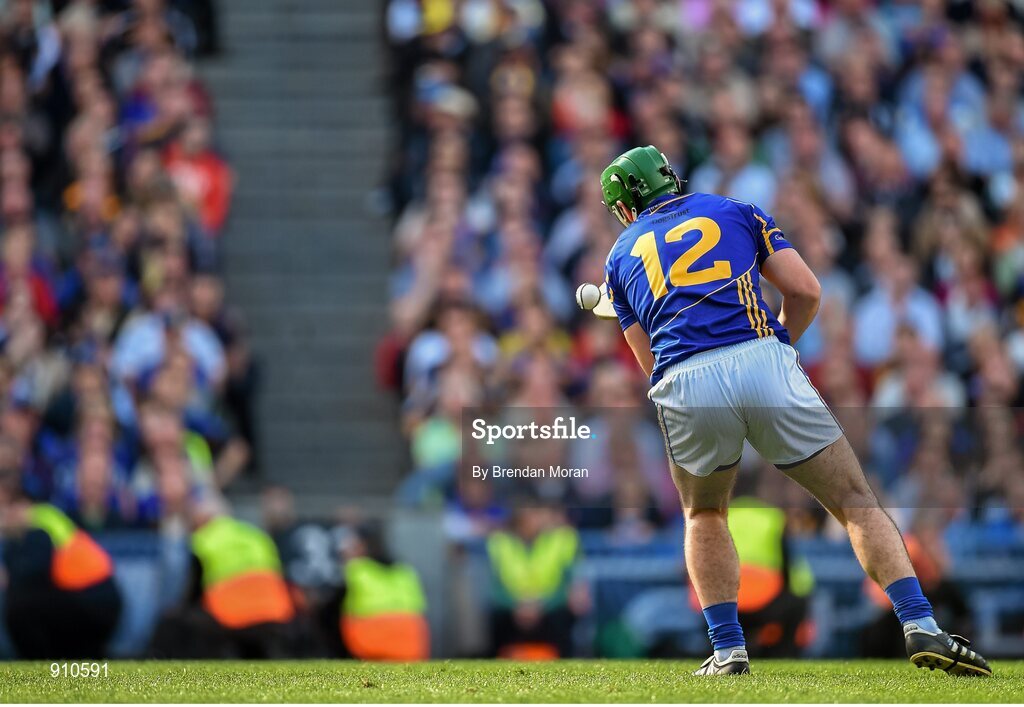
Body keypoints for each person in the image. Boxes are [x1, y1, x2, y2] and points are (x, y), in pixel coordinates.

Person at [598, 145, 992, 677]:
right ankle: (920, 623)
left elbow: (650, 362)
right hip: (761, 358)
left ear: (625, 204)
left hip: (686, 377)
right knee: (855, 500)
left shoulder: (620, 256)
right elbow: (805, 290)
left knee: (706, 514)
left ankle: (728, 650)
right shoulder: (736, 210)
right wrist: (779, 344)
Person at [149, 495, 296, 658]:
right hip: (275, 612)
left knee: (175, 620)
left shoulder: (202, 540)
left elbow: (192, 591)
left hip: (230, 615)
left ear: (203, 519)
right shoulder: (257, 535)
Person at [0, 471, 123, 659]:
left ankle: (39, 667)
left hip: (93, 598)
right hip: (91, 597)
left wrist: (8, 575)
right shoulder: (43, 517)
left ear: (23, 505)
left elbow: (35, 572)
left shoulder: (38, 522)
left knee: (20, 607)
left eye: (8, 508)